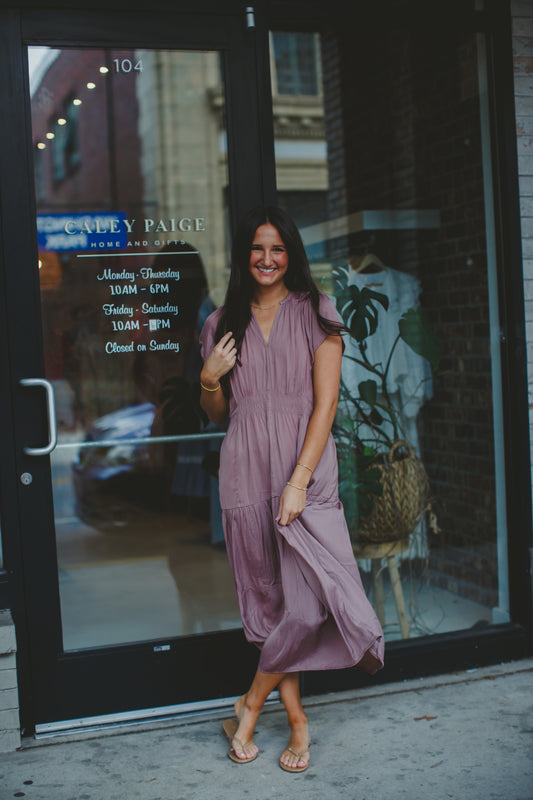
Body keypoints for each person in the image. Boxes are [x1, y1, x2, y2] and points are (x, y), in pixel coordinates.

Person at [199, 207, 384, 773]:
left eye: (277, 249)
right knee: (269, 603)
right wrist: (209, 377)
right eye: (257, 248)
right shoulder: (221, 322)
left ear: (291, 254)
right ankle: (298, 721)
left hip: (303, 471)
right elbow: (216, 412)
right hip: (245, 470)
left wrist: (299, 481)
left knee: (305, 604)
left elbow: (325, 405)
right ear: (243, 255)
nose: (267, 259)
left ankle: (250, 705)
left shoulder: (315, 312)